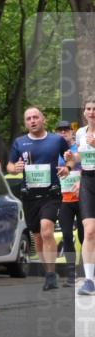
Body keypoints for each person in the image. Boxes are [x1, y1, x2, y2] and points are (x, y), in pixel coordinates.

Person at [6, 107, 74, 291]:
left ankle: (51, 274)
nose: (32, 121)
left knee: (46, 230)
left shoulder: (56, 140)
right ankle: (49, 272)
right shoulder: (19, 142)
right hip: (30, 195)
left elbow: (70, 159)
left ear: (42, 119)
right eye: (28, 118)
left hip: (51, 193)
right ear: (25, 122)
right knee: (38, 237)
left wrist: (67, 167)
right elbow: (10, 166)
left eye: (36, 117)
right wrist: (15, 168)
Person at [55, 119, 82, 284]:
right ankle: (71, 274)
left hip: (82, 198)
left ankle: (88, 271)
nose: (63, 133)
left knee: (84, 235)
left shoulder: (78, 148)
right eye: (60, 130)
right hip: (64, 199)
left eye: (66, 130)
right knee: (66, 235)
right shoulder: (54, 150)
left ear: (72, 132)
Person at [74, 96, 95, 296]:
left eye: (94, 109)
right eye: (88, 108)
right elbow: (80, 156)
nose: (92, 112)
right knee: (89, 231)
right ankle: (89, 280)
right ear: (84, 112)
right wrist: (71, 160)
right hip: (88, 180)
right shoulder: (80, 132)